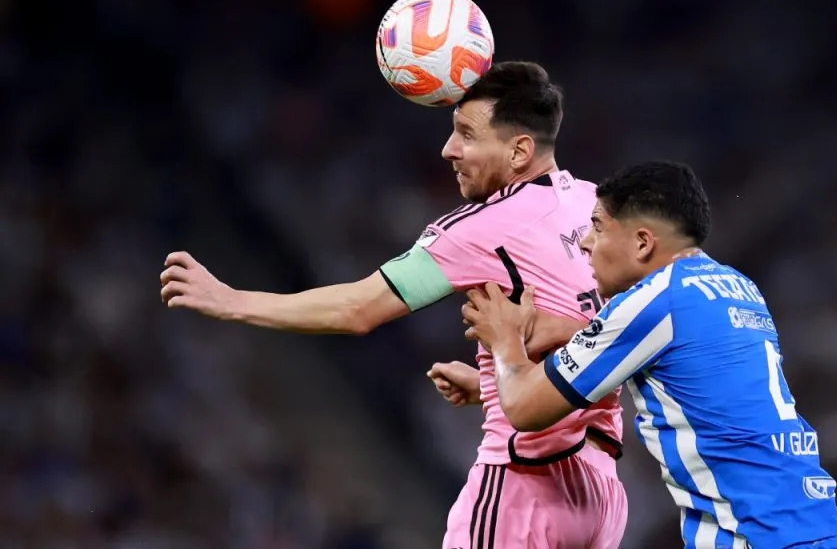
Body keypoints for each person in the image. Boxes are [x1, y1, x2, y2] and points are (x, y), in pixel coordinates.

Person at [159, 61, 628, 549]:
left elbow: (359, 308)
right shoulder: (596, 206)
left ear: (519, 151)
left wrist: (233, 301)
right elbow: (605, 330)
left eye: (466, 134)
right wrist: (495, 381)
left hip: (525, 485)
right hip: (601, 497)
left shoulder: (482, 226)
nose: (449, 150)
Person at [460, 160, 837, 548]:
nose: (585, 243)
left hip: (753, 536)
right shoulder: (737, 287)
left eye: (598, 228)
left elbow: (524, 408)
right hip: (827, 529)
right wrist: (493, 380)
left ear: (642, 243)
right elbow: (674, 358)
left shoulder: (653, 300)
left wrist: (504, 340)